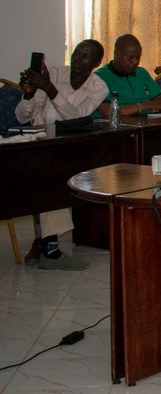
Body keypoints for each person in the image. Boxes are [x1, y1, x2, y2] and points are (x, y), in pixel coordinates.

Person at [16, 39, 108, 269]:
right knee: (50, 175)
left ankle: (47, 245)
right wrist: (28, 94)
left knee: (54, 175)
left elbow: (75, 117)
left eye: (85, 56)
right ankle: (49, 247)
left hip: (71, 146)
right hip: (37, 143)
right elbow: (21, 117)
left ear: (96, 63)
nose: (78, 58)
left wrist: (50, 89)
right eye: (77, 53)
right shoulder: (53, 73)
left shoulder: (99, 87)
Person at [95, 34, 161, 117]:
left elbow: (158, 100)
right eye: (130, 58)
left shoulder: (141, 73)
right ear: (116, 53)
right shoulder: (100, 77)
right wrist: (146, 105)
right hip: (116, 129)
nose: (135, 62)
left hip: (145, 125)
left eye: (138, 57)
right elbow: (107, 111)